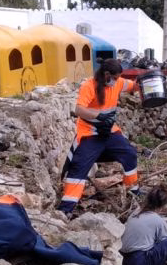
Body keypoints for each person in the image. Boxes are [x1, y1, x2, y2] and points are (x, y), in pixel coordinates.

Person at [57, 57, 140, 217]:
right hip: (90, 134)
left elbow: (133, 86)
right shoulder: (89, 86)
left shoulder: (118, 83)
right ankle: (66, 209)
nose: (116, 82)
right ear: (106, 74)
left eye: (118, 78)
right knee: (78, 167)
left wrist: (143, 82)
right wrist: (99, 115)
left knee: (129, 154)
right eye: (114, 78)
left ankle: (134, 192)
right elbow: (79, 110)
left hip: (110, 132)